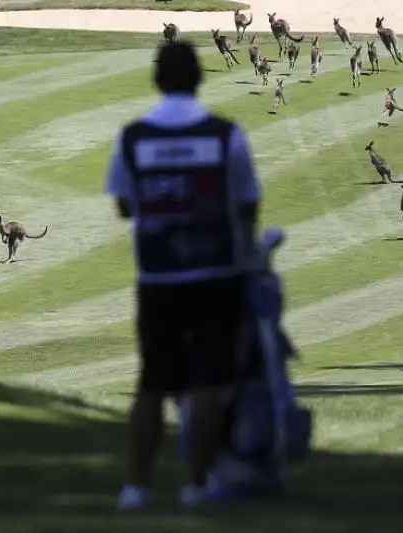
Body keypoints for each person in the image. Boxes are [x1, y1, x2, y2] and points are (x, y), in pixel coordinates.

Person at [105, 41, 261, 509]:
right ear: (199, 78)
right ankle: (198, 483)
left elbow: (124, 204)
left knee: (153, 384)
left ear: (157, 79)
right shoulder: (224, 135)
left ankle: (136, 488)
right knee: (209, 382)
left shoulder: (133, 137)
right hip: (216, 273)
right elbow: (247, 204)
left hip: (158, 278)